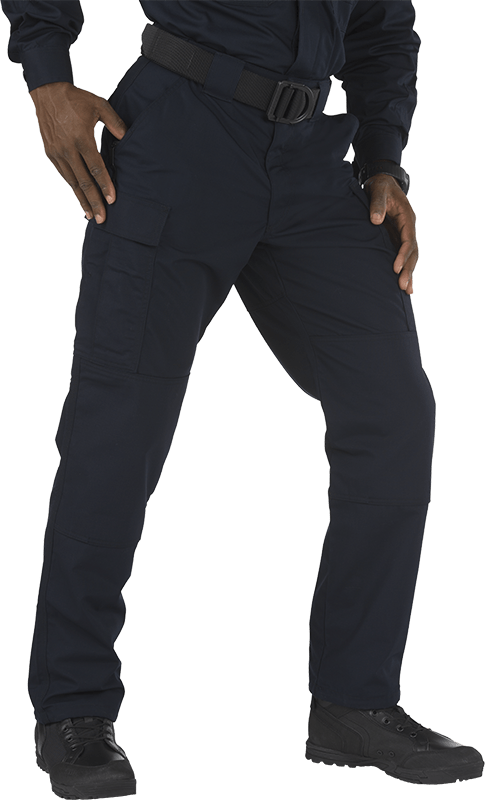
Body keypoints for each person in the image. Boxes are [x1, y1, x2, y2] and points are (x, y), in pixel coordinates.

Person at [2, 1, 483, 796]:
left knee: (394, 411)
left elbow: (382, 27)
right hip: (175, 137)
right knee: (118, 428)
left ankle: (353, 701)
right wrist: (47, 77)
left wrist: (382, 158)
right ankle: (72, 710)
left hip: (310, 163)